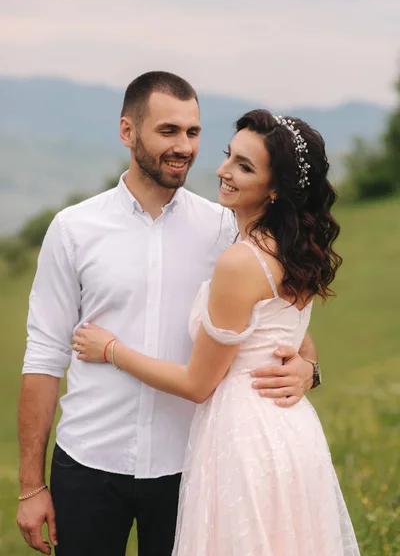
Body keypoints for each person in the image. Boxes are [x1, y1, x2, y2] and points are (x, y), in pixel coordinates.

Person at [17, 72, 319, 556]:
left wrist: (309, 368)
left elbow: (281, 324)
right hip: (89, 462)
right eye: (168, 131)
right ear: (127, 132)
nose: (184, 146)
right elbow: (44, 355)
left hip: (191, 466)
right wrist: (31, 485)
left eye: (193, 133)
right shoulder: (73, 229)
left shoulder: (227, 229)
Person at [73, 109, 361, 555]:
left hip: (243, 437)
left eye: (245, 167)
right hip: (291, 432)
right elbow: (284, 330)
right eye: (230, 156)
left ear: (276, 187)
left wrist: (110, 349)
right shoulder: (293, 246)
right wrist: (307, 364)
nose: (224, 171)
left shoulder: (241, 261)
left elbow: (197, 384)